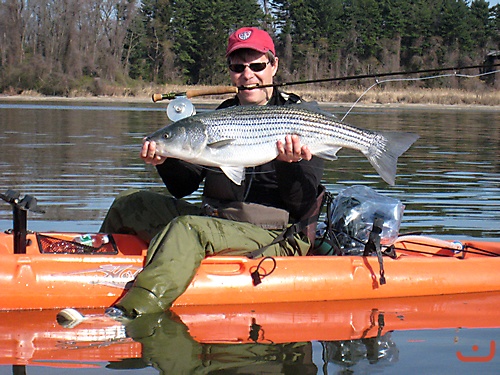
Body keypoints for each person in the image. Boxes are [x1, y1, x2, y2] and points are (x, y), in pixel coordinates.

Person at [100, 27, 324, 318]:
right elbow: (184, 186)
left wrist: (288, 165)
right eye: (237, 67)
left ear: (274, 65)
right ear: (230, 71)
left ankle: (132, 313)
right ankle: (92, 271)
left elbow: (302, 204)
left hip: (274, 235)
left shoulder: (298, 116)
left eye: (257, 65)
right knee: (129, 203)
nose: (247, 75)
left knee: (187, 228)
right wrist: (165, 159)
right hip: (215, 221)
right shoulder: (222, 114)